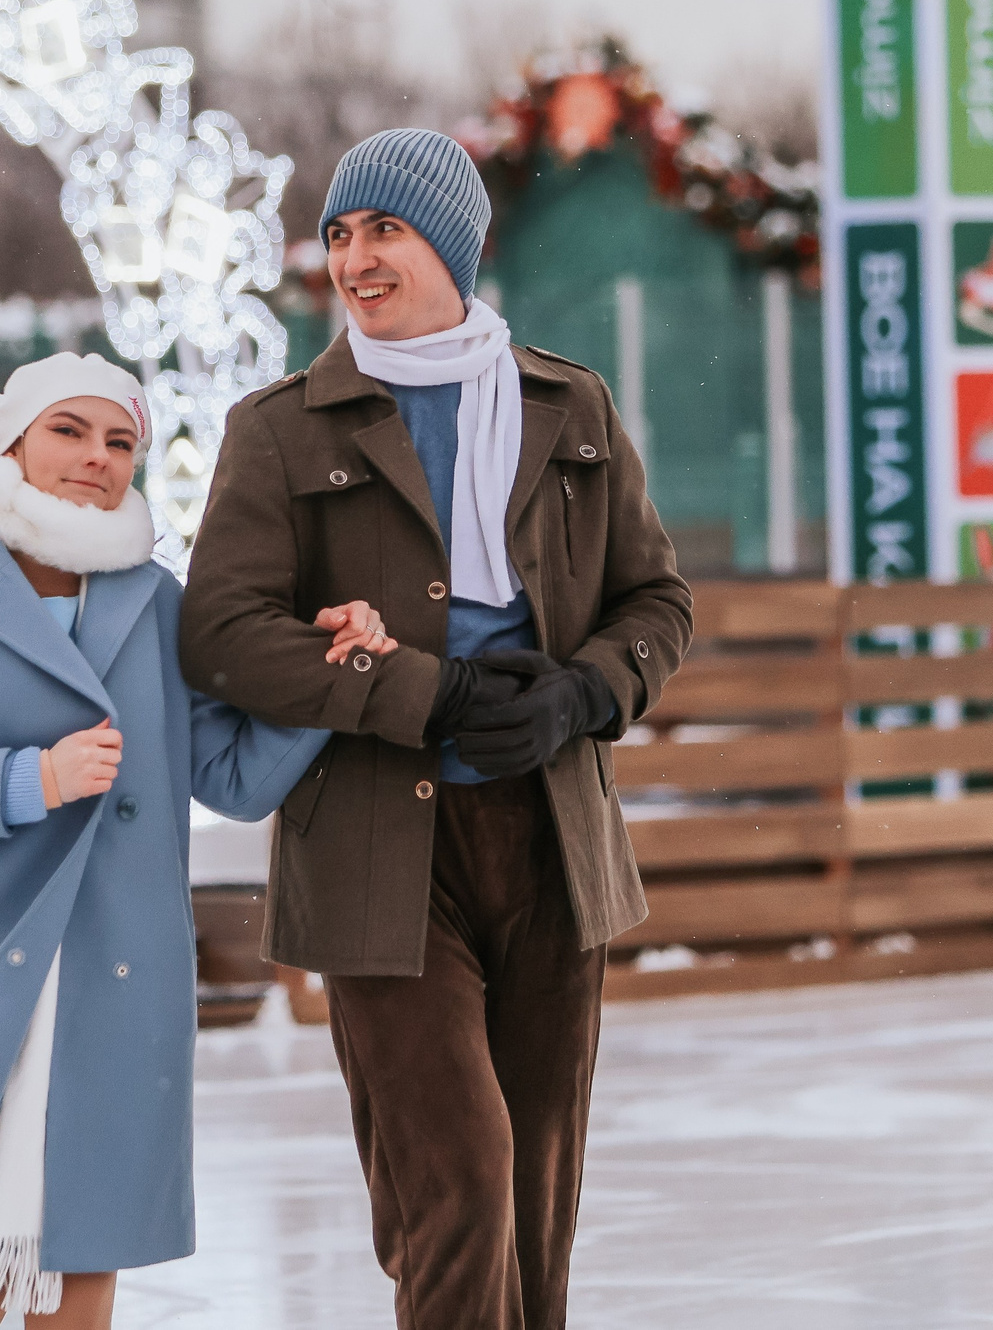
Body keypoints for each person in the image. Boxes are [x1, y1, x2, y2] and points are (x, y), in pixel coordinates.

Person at [180, 128, 693, 1330]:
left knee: (536, 1201)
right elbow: (222, 632)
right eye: (340, 234)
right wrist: (425, 692)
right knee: (454, 1184)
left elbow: (656, 601)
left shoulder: (571, 405)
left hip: (553, 844)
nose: (355, 258)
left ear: (453, 245)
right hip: (377, 854)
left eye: (385, 230)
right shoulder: (284, 428)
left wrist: (583, 692)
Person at [0, 351, 399, 1330]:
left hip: (113, 984)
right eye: (70, 431)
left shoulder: (156, 605)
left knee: (84, 1279)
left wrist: (334, 678)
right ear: (9, 444)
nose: (98, 457)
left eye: (120, 440)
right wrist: (30, 780)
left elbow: (232, 777)